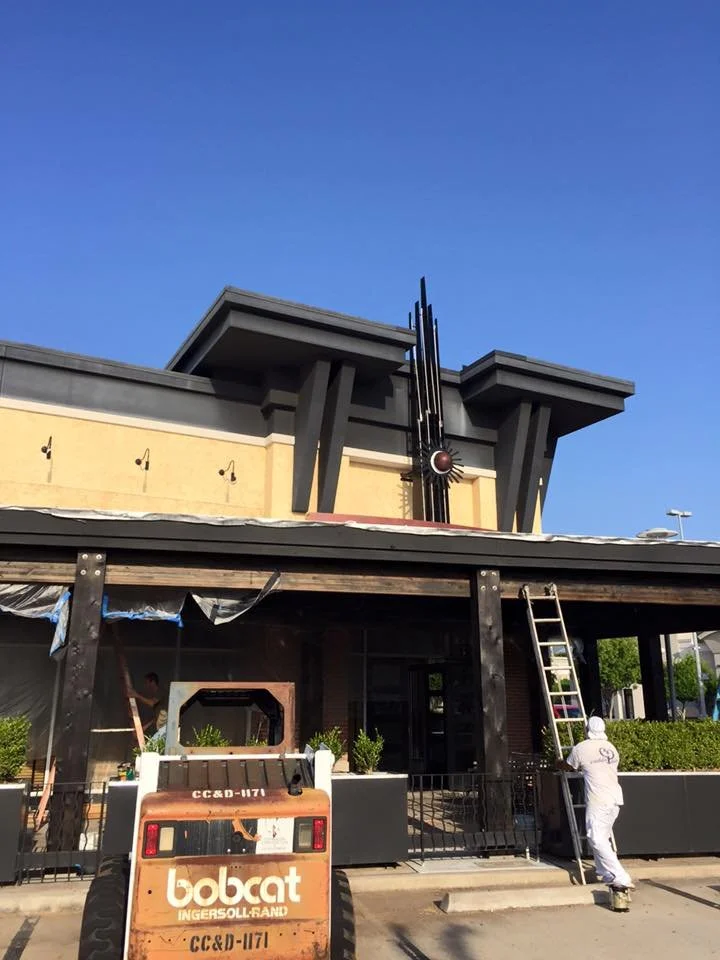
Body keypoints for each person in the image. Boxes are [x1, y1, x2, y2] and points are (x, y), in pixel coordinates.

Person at [557, 716, 633, 906]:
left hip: (598, 800)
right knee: (603, 839)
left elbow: (569, 766)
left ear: (587, 729)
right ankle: (605, 873)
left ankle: (620, 877)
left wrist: (557, 762)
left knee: (595, 839)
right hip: (615, 799)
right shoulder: (611, 748)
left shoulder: (582, 748)